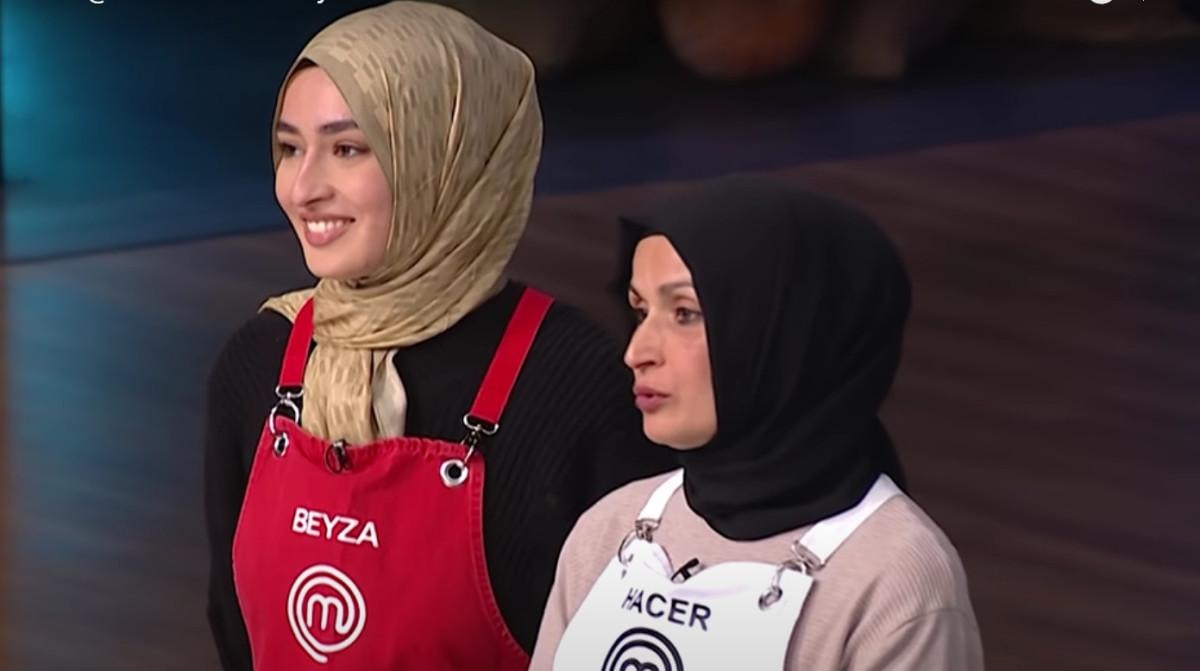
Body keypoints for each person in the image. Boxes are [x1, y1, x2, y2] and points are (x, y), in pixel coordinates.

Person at [202, 3, 673, 669]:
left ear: (449, 156)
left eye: (347, 149)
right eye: (290, 148)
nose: (302, 188)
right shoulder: (261, 360)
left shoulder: (576, 385)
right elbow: (233, 631)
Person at [530, 176, 984, 670]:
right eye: (640, 311)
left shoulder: (894, 580)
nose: (637, 352)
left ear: (790, 334)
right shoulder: (610, 528)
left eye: (685, 313)